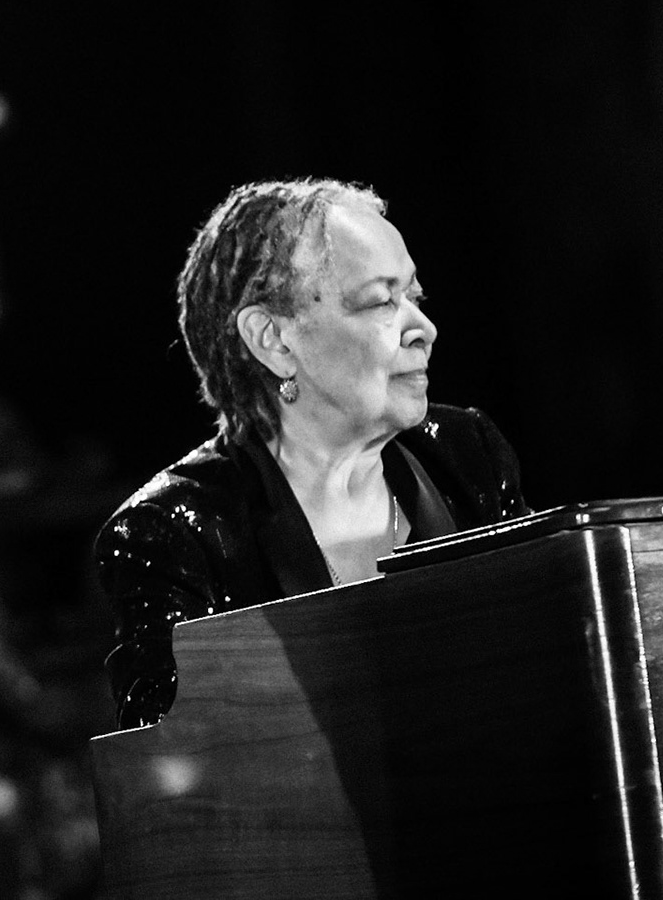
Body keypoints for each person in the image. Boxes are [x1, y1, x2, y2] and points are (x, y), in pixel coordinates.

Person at [94, 179, 528, 728]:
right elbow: (180, 780)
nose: (424, 330)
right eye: (381, 301)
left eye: (414, 297)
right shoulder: (177, 535)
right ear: (273, 340)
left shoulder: (467, 455)